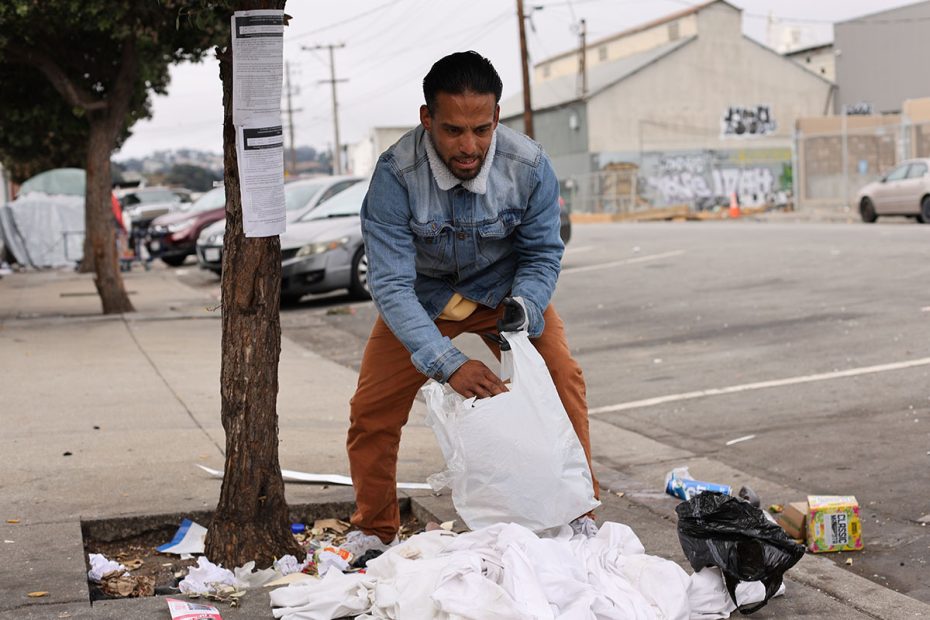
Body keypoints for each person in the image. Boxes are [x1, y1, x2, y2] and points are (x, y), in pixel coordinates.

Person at [344, 51, 599, 556]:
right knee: (371, 411)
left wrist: (525, 310)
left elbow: (544, 252)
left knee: (562, 379)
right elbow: (391, 285)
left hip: (505, 293)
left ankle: (578, 513)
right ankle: (373, 531)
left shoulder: (530, 166)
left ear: (496, 117)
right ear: (427, 119)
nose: (469, 146)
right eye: (454, 130)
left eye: (482, 129)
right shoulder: (394, 175)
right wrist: (447, 365)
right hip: (422, 299)